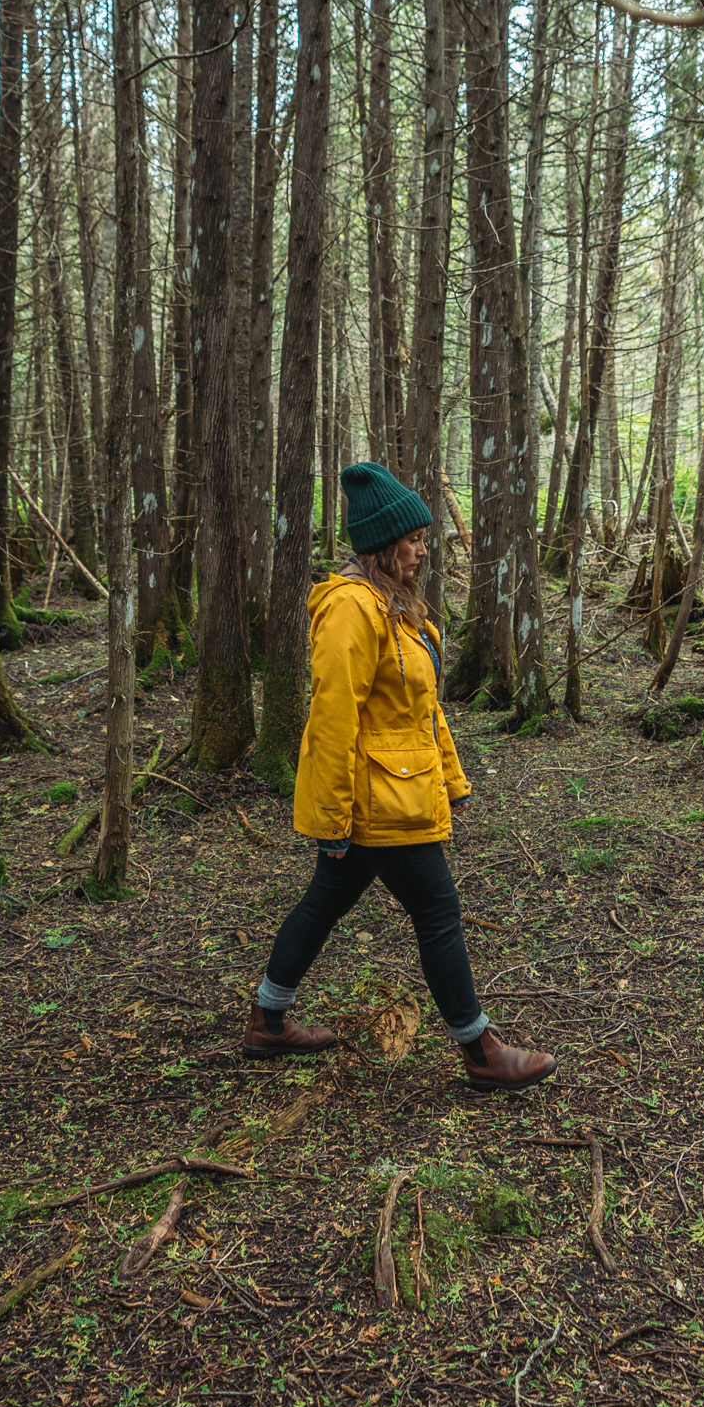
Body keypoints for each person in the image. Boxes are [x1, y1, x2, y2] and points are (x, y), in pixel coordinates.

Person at [241, 462, 557, 1092]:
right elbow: (332, 720)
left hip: (400, 789)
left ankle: (268, 1018)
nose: (422, 549)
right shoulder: (350, 611)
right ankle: (480, 1048)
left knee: (326, 901)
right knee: (439, 912)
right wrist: (331, 821)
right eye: (412, 539)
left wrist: (452, 780)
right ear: (385, 544)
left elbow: (420, 710)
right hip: (376, 802)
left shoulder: (396, 608)